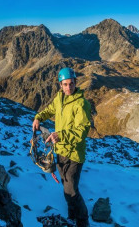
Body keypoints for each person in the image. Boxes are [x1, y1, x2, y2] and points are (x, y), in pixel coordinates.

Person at [32, 67, 91, 227]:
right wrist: (38, 117)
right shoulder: (59, 99)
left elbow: (82, 131)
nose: (68, 87)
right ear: (60, 85)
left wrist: (60, 135)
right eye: (65, 84)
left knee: (71, 190)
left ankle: (83, 222)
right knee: (66, 187)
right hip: (60, 152)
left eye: (71, 84)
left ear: (75, 83)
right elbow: (50, 110)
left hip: (74, 154)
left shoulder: (82, 104)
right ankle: (72, 216)